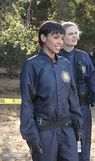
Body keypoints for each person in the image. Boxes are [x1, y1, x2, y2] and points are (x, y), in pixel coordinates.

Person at [20, 21, 83, 161]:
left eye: (62, 38)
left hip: (67, 132)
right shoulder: (32, 65)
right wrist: (31, 136)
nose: (60, 42)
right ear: (43, 38)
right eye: (55, 37)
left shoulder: (64, 64)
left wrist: (78, 127)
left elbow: (73, 98)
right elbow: (27, 103)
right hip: (45, 133)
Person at [59, 21, 95, 161]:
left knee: (82, 143)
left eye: (76, 33)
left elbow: (93, 83)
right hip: (62, 110)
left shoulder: (84, 57)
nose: (74, 36)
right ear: (62, 36)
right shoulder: (55, 56)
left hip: (82, 108)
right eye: (70, 33)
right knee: (64, 144)